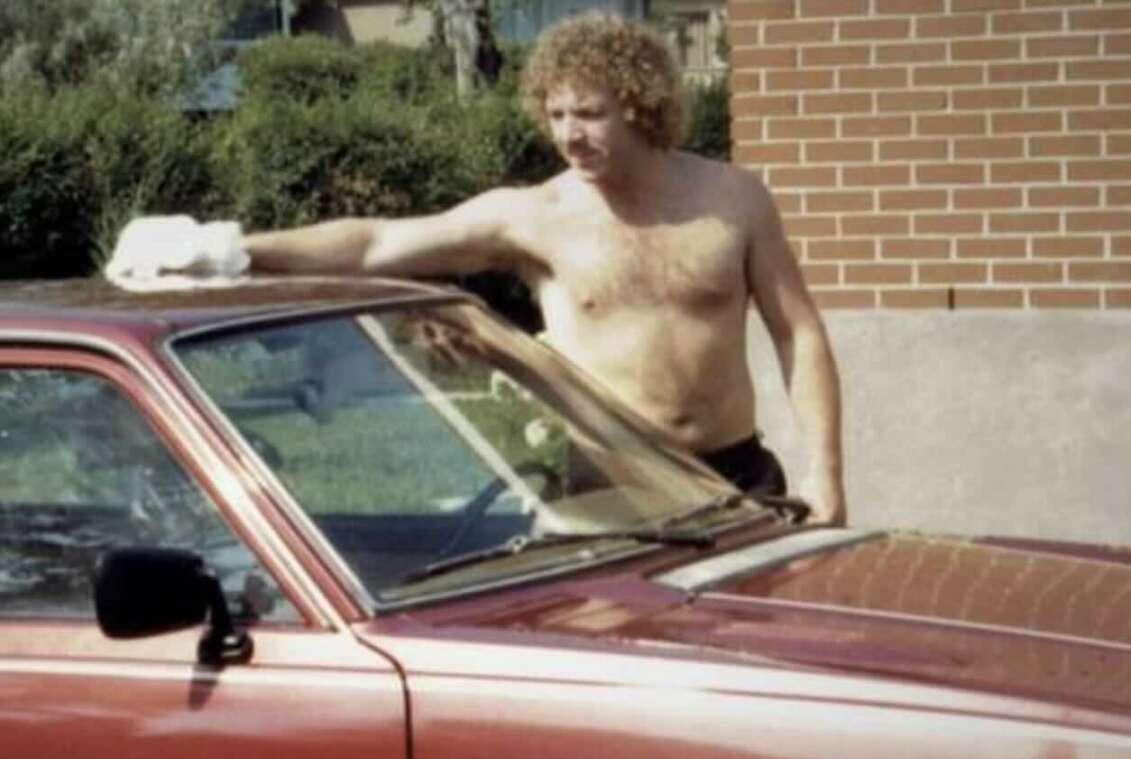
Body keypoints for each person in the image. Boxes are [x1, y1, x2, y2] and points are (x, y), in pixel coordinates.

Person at [115, 13, 846, 523]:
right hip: (606, 486)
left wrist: (826, 474)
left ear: (640, 105)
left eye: (588, 113)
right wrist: (229, 246)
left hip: (739, 475)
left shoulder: (733, 199)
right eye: (554, 114)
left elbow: (799, 335)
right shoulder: (533, 216)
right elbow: (377, 244)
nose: (568, 134)